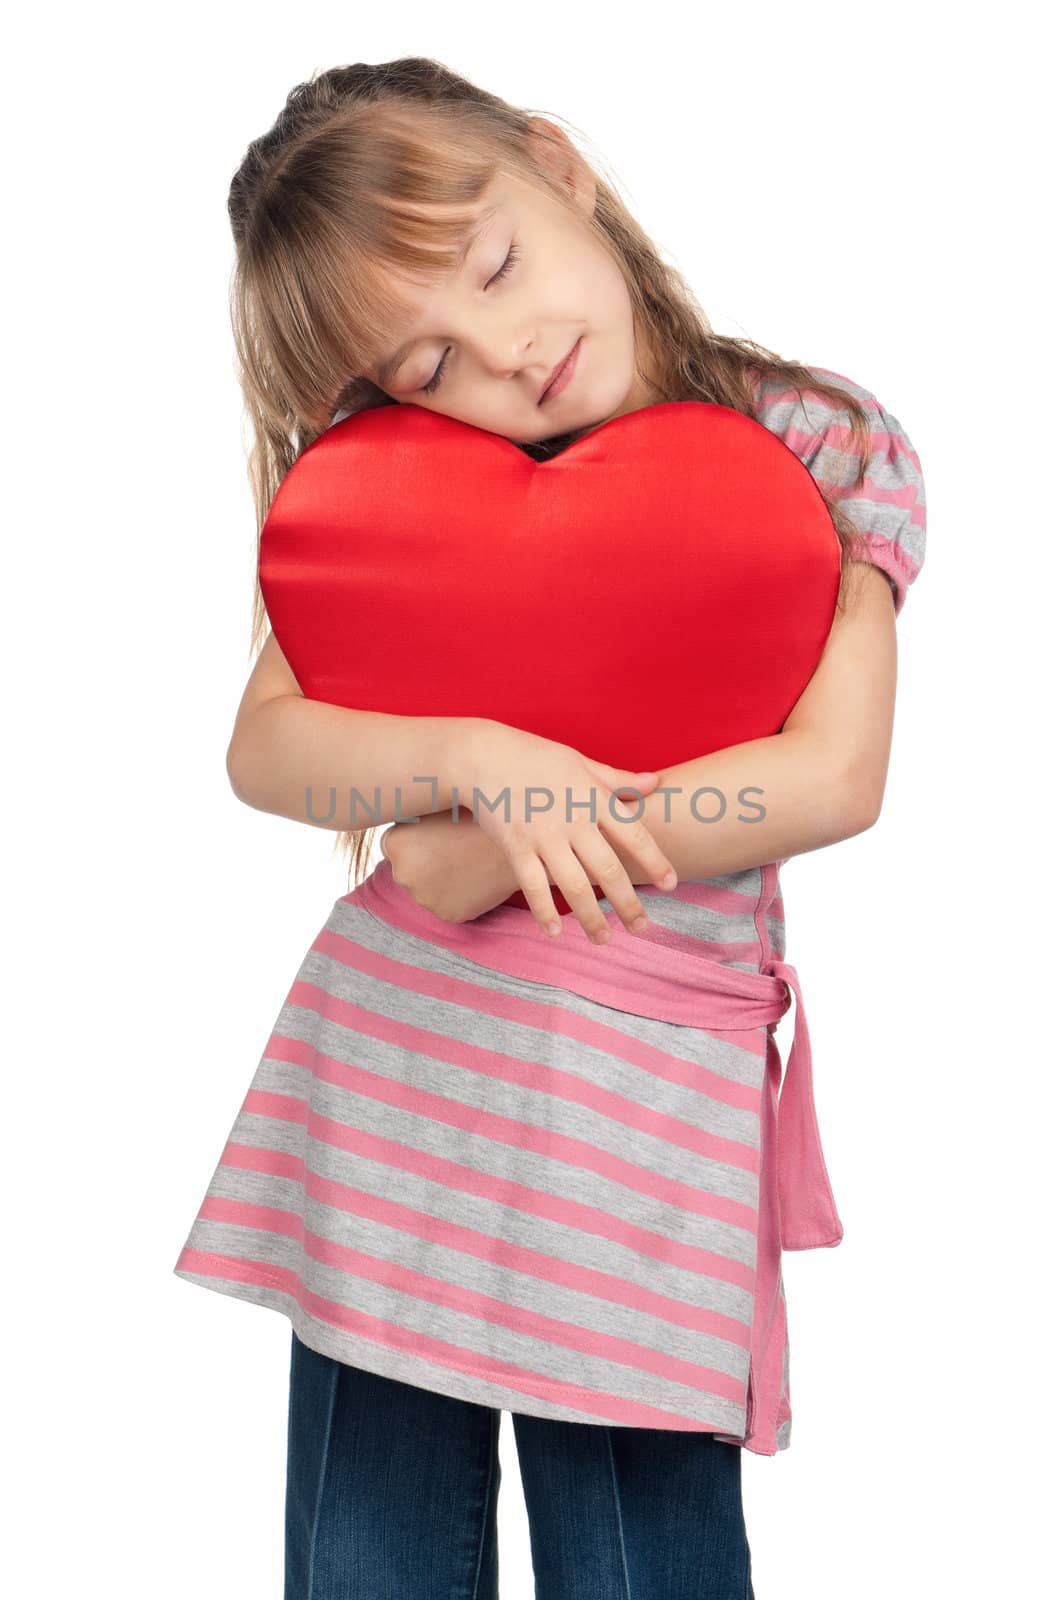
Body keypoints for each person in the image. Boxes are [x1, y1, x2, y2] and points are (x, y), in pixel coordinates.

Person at [174, 56, 927, 1600]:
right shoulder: (397, 495)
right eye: (428, 361)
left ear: (556, 164)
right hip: (398, 1096)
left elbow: (832, 777)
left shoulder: (816, 444)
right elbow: (269, 752)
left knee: (644, 1563)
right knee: (366, 1559)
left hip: (641, 1126)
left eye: (498, 264)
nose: (507, 356)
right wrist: (476, 760)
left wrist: (475, 847)